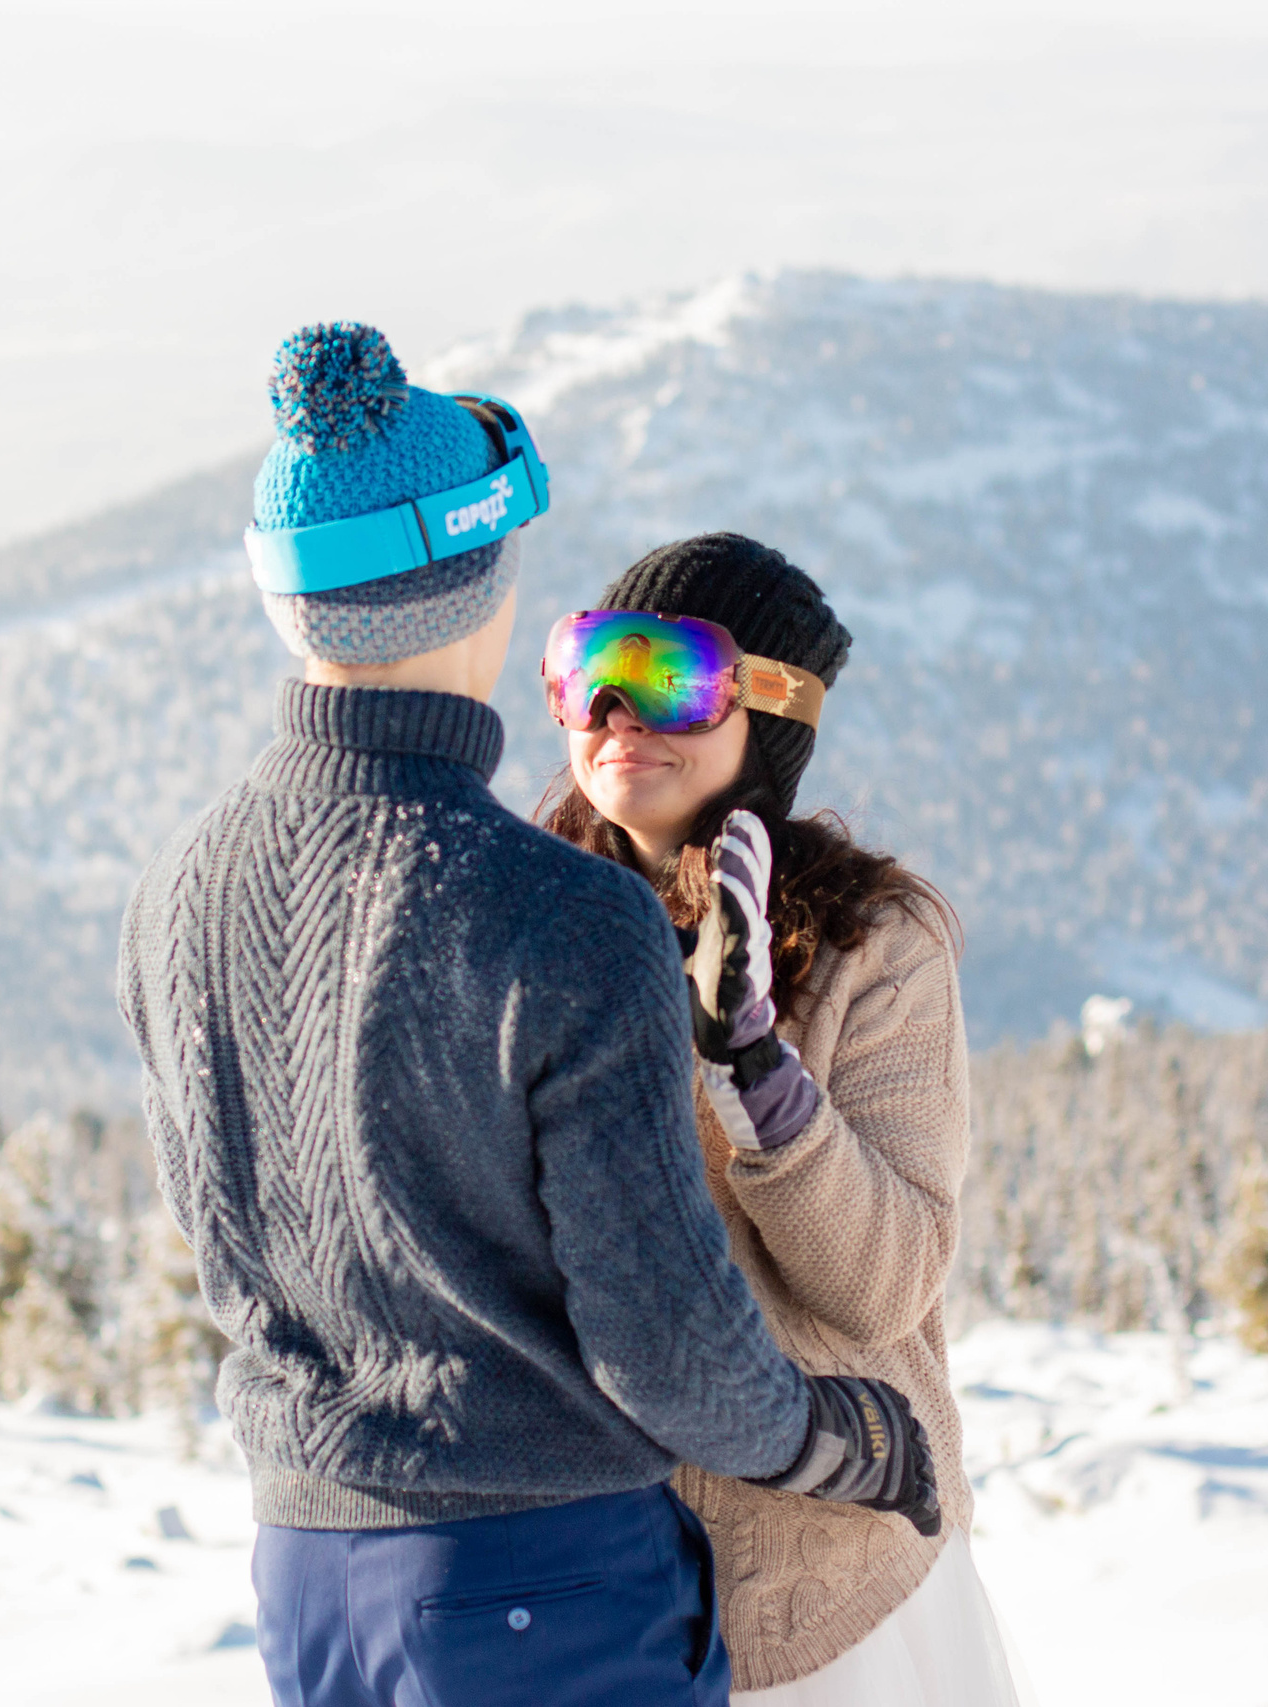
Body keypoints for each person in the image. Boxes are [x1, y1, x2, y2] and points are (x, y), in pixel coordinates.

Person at [118, 325, 941, 1707]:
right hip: (542, 1583)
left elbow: (242, 1259)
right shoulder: (559, 914)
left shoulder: (176, 893)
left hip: (309, 1571)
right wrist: (835, 1439)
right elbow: (667, 1347)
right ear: (487, 579)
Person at [536, 533, 1023, 1707]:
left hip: (828, 1588)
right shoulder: (526, 917)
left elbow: (883, 1286)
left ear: (772, 709)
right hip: (583, 1577)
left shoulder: (871, 944)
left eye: (667, 675)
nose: (614, 708)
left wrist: (754, 1072)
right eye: (587, 666)